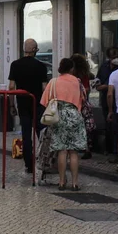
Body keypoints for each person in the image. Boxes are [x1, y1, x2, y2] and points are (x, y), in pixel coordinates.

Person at [40, 58, 87, 190]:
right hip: (74, 115)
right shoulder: (77, 82)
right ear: (72, 69)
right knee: (73, 152)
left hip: (59, 116)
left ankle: (61, 182)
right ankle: (75, 183)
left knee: (62, 150)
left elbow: (44, 101)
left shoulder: (53, 82)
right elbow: (83, 99)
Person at [8, 38, 49, 174]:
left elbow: (12, 87)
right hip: (38, 104)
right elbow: (44, 88)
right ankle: (44, 162)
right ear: (34, 50)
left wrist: (12, 105)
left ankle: (28, 165)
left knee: (26, 134)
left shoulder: (15, 65)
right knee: (41, 134)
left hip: (22, 104)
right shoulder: (41, 66)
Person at [96, 47, 118, 162]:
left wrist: (106, 86)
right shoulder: (104, 67)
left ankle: (116, 151)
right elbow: (97, 81)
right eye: (112, 56)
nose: (114, 59)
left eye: (116, 56)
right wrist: (100, 86)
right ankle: (109, 149)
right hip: (105, 100)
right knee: (108, 125)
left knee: (116, 126)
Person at [71, 53, 93, 159]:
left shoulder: (72, 75)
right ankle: (87, 148)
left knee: (75, 126)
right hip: (83, 103)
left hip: (73, 103)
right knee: (84, 126)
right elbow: (87, 89)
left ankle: (74, 148)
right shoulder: (84, 74)